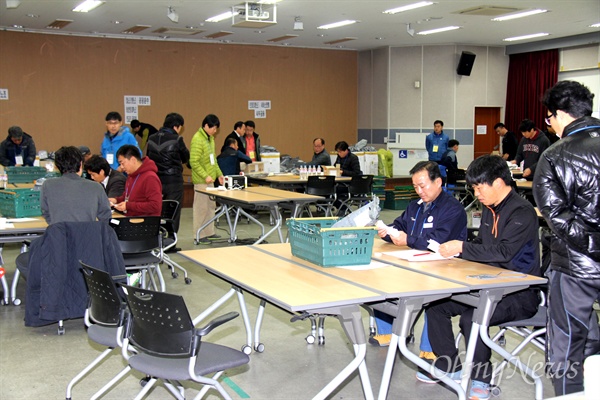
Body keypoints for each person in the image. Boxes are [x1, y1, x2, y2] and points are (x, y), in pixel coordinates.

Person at [421, 155, 541, 400]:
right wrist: (453, 256)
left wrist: (462, 248)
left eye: (478, 187)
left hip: (519, 292)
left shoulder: (522, 212)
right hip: (487, 286)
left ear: (497, 182)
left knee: (472, 317)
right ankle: (450, 367)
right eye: (473, 188)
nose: (476, 193)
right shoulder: (489, 209)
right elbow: (482, 244)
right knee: (435, 305)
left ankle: (481, 379)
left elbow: (504, 253)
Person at [533, 80, 600, 396]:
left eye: (549, 118)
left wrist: (591, 245)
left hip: (576, 264)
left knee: (567, 339)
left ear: (559, 114)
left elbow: (557, 217)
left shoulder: (553, 156)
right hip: (582, 259)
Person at [372, 161, 467, 348]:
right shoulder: (415, 205)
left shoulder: (452, 209)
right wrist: (388, 232)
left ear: (438, 182)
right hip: (412, 261)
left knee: (434, 301)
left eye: (422, 186)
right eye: (415, 187)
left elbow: (438, 241)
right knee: (380, 280)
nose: (419, 191)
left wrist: (407, 240)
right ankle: (389, 331)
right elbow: (400, 225)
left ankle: (430, 347)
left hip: (443, 268)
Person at [41, 146, 111, 224]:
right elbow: (106, 217)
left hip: (59, 234)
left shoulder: (48, 185)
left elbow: (46, 212)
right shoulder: (96, 187)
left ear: (57, 166)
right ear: (81, 164)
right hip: (87, 234)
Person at [146, 112, 190, 233]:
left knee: (156, 210)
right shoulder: (177, 139)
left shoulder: (151, 138)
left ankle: (155, 238)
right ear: (177, 126)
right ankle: (170, 241)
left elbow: (148, 158)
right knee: (173, 212)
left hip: (156, 180)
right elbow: (186, 157)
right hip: (173, 181)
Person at [190, 114, 224, 244]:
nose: (215, 131)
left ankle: (209, 232)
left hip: (210, 181)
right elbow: (194, 162)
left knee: (210, 207)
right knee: (201, 209)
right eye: (214, 128)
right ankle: (198, 234)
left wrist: (219, 174)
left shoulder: (210, 139)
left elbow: (213, 160)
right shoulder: (197, 139)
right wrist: (205, 175)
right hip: (201, 181)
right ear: (206, 126)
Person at [108, 145, 162, 217]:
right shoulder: (131, 176)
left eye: (122, 163)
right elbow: (127, 197)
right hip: (131, 218)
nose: (121, 167)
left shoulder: (150, 177)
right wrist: (116, 200)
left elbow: (155, 206)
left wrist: (128, 206)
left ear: (133, 159)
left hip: (145, 222)